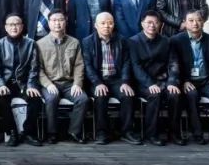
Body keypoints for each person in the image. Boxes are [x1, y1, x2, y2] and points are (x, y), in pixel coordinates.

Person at [81, 13, 139, 145]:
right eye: (102, 23)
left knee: (127, 95)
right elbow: (87, 66)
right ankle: (102, 132)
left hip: (116, 79)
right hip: (98, 80)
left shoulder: (122, 40)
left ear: (114, 24)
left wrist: (125, 81)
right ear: (95, 25)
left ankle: (127, 131)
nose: (107, 26)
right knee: (100, 95)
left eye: (110, 23)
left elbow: (126, 63)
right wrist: (97, 83)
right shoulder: (87, 42)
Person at [170, 10, 209, 145]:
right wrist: (183, 81)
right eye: (191, 20)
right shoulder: (176, 40)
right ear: (185, 22)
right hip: (188, 81)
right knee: (191, 95)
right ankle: (197, 134)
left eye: (199, 20)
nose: (195, 23)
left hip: (206, 80)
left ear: (203, 22)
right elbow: (174, 64)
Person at [0, 15, 44, 147]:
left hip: (24, 83)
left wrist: (31, 85)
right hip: (6, 82)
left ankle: (28, 132)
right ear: (5, 27)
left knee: (35, 99)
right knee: (1, 100)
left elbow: (34, 67)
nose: (14, 27)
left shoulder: (31, 43)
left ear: (22, 26)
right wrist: (0, 85)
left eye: (17, 24)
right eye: (11, 24)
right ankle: (12, 132)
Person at [128, 11, 180, 146]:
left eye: (156, 22)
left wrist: (172, 82)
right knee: (154, 94)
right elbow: (136, 67)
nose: (152, 25)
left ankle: (174, 133)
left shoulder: (166, 41)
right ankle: (151, 134)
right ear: (142, 24)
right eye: (149, 22)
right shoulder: (133, 41)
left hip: (163, 80)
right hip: (142, 83)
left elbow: (173, 63)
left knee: (174, 94)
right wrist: (149, 84)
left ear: (161, 25)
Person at [36, 11, 88, 143]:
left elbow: (79, 65)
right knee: (51, 98)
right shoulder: (40, 44)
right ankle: (52, 133)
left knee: (82, 99)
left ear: (65, 22)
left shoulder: (74, 42)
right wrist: (48, 84)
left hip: (69, 83)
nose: (57, 23)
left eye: (60, 20)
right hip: (50, 83)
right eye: (54, 20)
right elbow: (38, 68)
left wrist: (77, 83)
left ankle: (74, 132)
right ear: (48, 23)